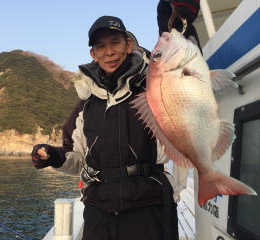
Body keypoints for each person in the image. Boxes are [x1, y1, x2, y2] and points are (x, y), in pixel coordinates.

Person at [31, 1, 200, 239]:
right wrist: (53, 156)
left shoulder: (153, 85)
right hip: (99, 208)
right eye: (101, 46)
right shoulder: (86, 106)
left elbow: (186, 75)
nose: (109, 51)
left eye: (115, 43)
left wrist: (178, 26)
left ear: (128, 45)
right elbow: (78, 160)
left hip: (149, 203)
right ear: (93, 54)